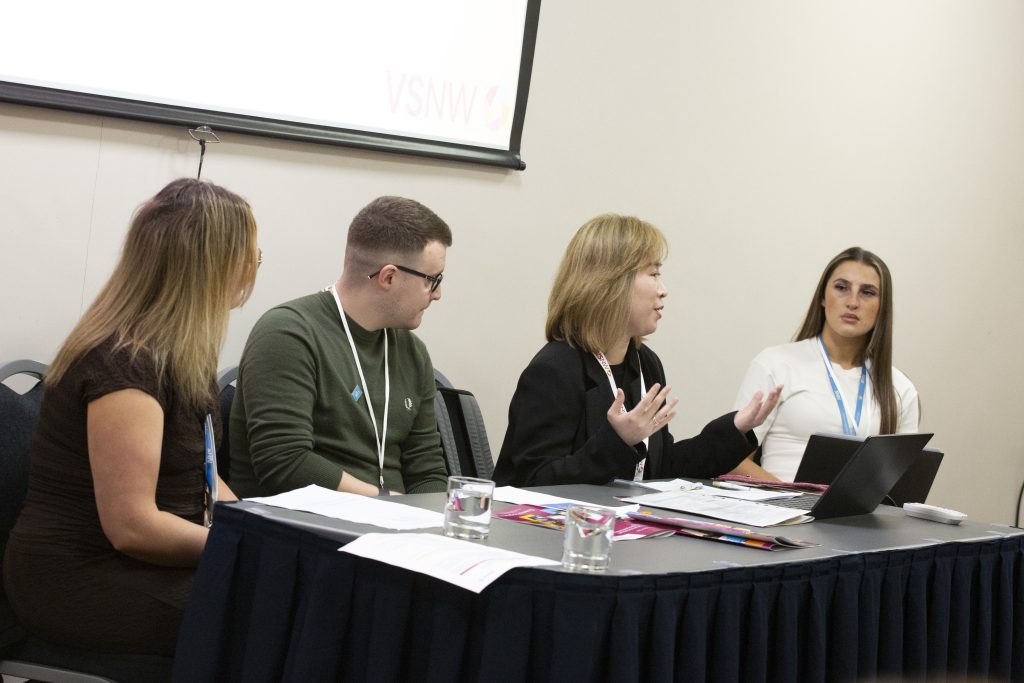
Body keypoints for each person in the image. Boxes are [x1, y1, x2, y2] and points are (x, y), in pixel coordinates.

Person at [3, 179, 259, 659]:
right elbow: (133, 528)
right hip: (80, 578)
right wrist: (242, 547)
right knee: (271, 618)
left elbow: (203, 475)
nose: (254, 269)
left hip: (149, 564)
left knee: (291, 596)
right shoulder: (124, 365)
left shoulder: (182, 352)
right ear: (214, 264)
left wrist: (260, 529)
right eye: (251, 257)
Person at [492, 214, 781, 487]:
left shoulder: (645, 362)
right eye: (653, 273)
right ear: (611, 283)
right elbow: (532, 481)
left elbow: (661, 466)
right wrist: (617, 442)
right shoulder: (555, 369)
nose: (663, 289)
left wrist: (734, 430)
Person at [229, 196, 451, 498]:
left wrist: (431, 517)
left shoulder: (413, 353)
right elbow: (285, 463)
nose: (437, 294)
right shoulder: (289, 333)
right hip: (303, 521)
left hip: (394, 520)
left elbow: (427, 471)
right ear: (388, 277)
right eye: (432, 280)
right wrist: (386, 503)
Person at [729, 246, 920, 482]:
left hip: (856, 507)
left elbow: (901, 482)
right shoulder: (775, 364)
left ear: (883, 306)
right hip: (781, 503)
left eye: (867, 292)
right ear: (822, 296)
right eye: (841, 288)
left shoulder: (900, 388)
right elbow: (732, 461)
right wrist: (794, 496)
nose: (852, 302)